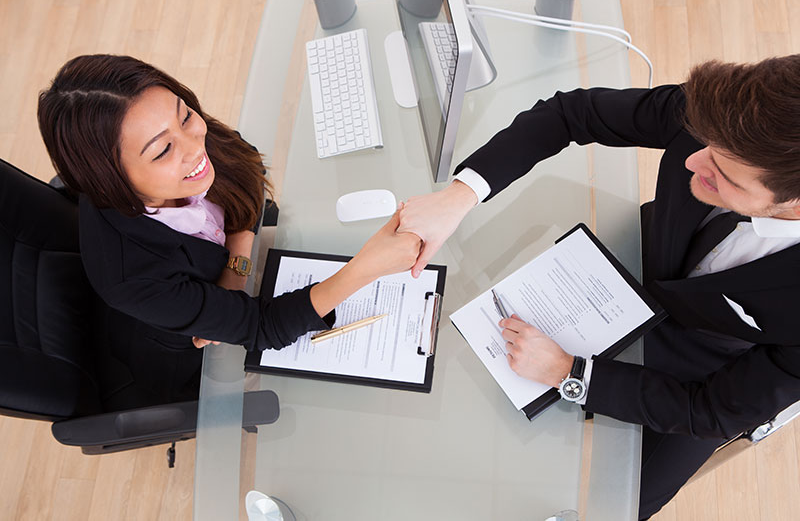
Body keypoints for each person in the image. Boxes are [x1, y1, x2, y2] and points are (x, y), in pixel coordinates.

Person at [397, 55, 800, 519]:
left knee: (615, 506)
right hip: (638, 257)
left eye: (721, 174)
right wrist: (459, 195)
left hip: (704, 369)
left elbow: (714, 411)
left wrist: (571, 373)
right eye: (706, 145)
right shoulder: (724, 119)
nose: (692, 158)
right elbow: (573, 113)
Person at [37, 54, 421, 403]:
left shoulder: (187, 139)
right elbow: (262, 328)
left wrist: (235, 271)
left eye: (185, 115)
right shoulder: (131, 275)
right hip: (195, 357)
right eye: (162, 151)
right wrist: (366, 267)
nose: (194, 146)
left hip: (227, 291)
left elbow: (246, 164)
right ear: (111, 179)